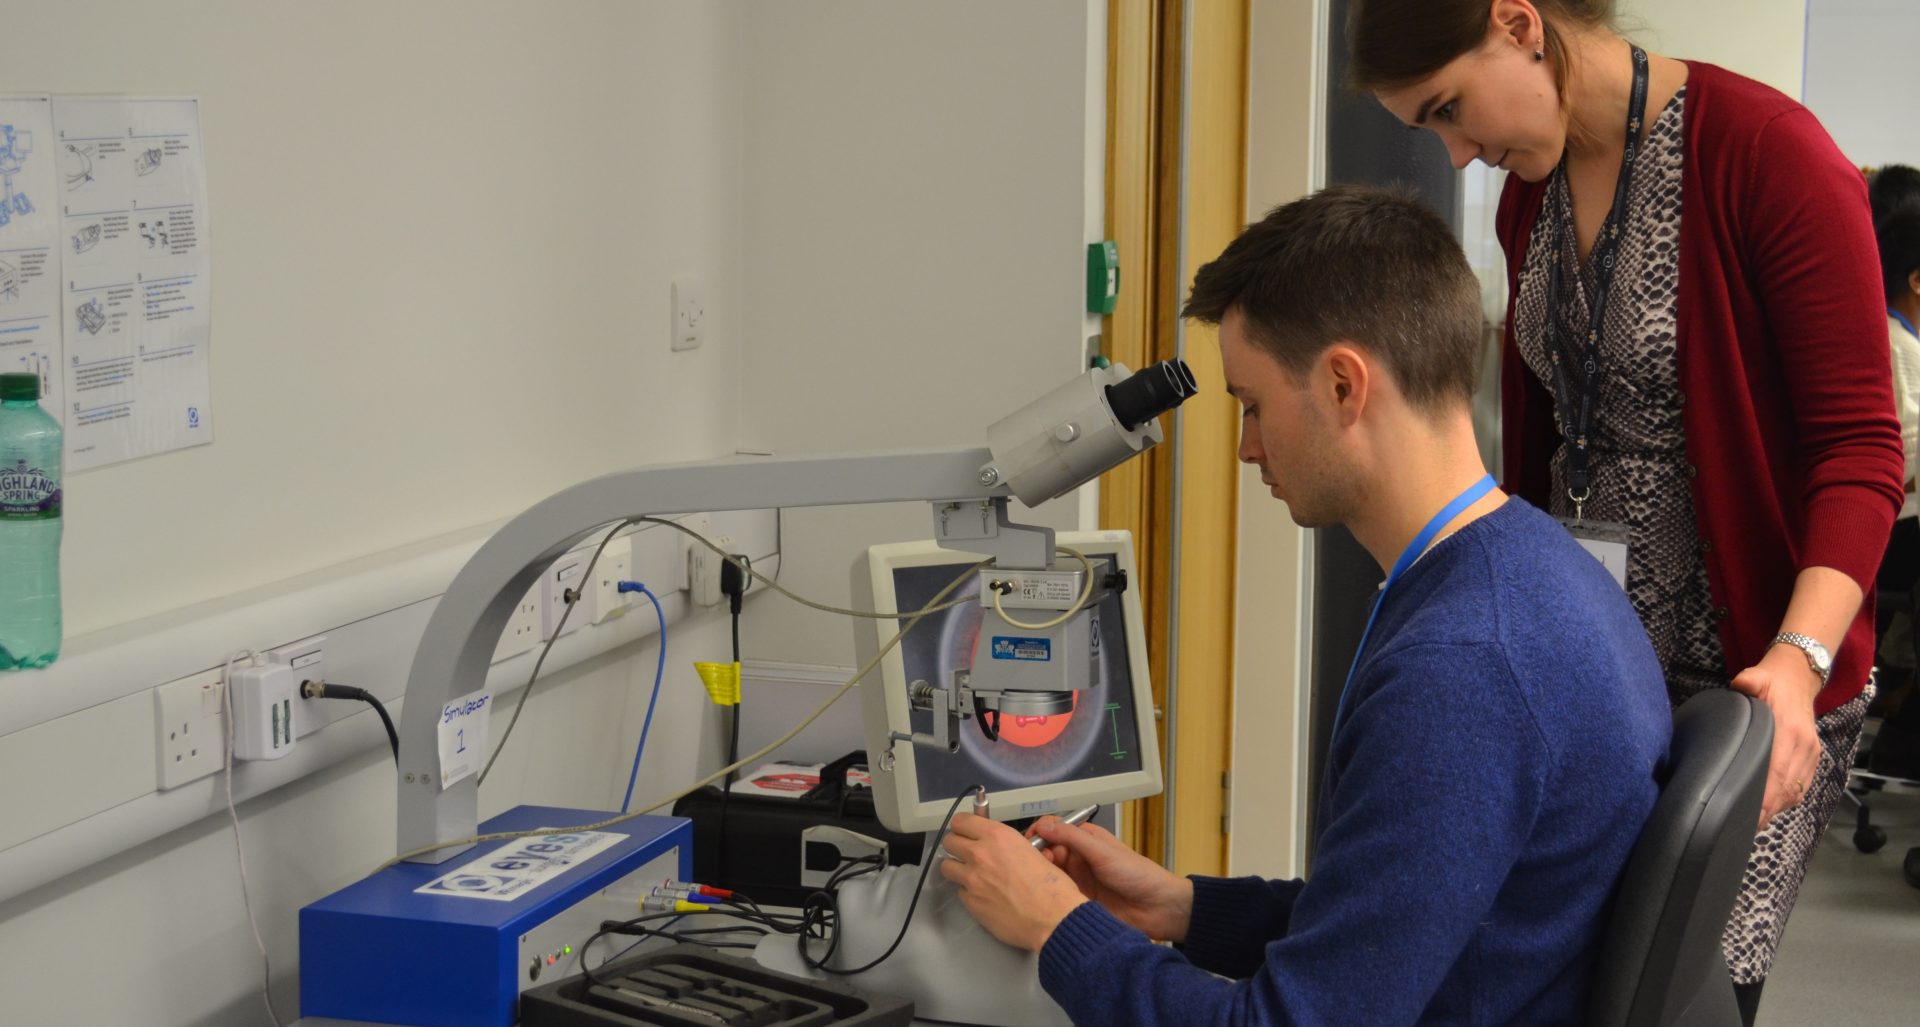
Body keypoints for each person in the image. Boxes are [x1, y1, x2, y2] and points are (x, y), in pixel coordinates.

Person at [937, 185, 1672, 1025]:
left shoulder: (1463, 670)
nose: (1248, 445)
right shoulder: (1534, 569)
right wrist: (1183, 907)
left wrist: (1060, 925)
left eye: (1253, 405)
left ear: (1342, 385)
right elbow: (1404, 916)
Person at [1348, 2, 1905, 1018]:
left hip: (1754, 677)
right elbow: (1541, 449)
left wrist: (1797, 664)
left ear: (1519, 22)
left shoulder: (1768, 156)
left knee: (1678, 988)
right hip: (1596, 664)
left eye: (1451, 110)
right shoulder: (1536, 196)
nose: (1461, 154)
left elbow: (1861, 449)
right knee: (1561, 975)